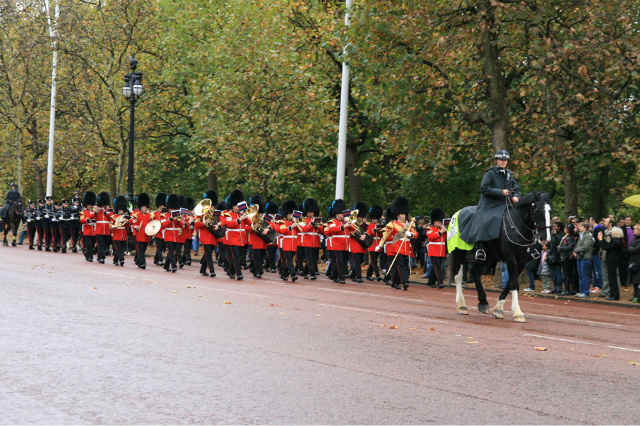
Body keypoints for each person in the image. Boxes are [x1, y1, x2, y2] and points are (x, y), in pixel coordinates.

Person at [459, 150, 521, 260]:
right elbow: (484, 189)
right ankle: (480, 247)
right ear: (496, 161)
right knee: (487, 219)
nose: (503, 162)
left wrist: (516, 196)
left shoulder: (509, 174)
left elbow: (516, 189)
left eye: (505, 160)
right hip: (490, 204)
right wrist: (500, 192)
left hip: (506, 204)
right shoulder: (490, 173)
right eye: (501, 160)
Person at [377, 197, 417, 290]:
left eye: (404, 213)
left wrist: (411, 234)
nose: (404, 215)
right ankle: (405, 281)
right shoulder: (392, 224)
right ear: (398, 215)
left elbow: (416, 234)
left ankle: (394, 282)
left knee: (402, 265)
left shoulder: (408, 224)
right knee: (401, 265)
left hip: (406, 248)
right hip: (397, 247)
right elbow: (385, 235)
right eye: (402, 213)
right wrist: (379, 245)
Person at [277, 200, 301, 282]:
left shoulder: (295, 222)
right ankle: (293, 274)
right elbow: (282, 231)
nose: (292, 215)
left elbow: (301, 231)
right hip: (286, 243)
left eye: (292, 214)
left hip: (293, 243)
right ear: (286, 214)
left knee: (287, 261)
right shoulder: (283, 222)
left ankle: (284, 274)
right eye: (290, 214)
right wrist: (291, 226)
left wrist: (297, 224)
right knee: (289, 260)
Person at [598, 226, 625, 301]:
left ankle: (614, 295)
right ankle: (613, 294)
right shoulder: (616, 241)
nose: (611, 233)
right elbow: (607, 244)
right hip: (612, 260)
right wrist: (602, 239)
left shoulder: (617, 241)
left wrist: (600, 241)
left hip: (613, 261)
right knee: (611, 278)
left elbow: (606, 247)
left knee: (612, 278)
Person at [426, 208, 447, 288]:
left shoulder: (442, 229)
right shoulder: (430, 228)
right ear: (434, 222)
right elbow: (431, 237)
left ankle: (431, 281)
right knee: (437, 267)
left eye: (439, 221)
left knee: (436, 267)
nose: (438, 223)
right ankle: (440, 282)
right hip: (434, 250)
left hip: (441, 251)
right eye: (437, 222)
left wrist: (445, 230)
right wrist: (440, 232)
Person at [131, 193, 153, 269]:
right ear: (140, 207)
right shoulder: (137, 215)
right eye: (143, 206)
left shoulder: (149, 216)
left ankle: (138, 260)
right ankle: (142, 263)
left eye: (145, 206)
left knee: (143, 250)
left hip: (147, 235)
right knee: (141, 250)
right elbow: (134, 223)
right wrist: (136, 227)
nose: (144, 208)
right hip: (140, 235)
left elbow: (152, 224)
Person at [574, 221, 595, 298]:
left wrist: (576, 250)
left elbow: (586, 247)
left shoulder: (588, 236)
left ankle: (585, 292)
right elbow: (578, 245)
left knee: (585, 276)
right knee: (580, 275)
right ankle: (581, 291)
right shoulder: (581, 235)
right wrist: (577, 249)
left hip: (585, 257)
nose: (579, 227)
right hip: (580, 257)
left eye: (581, 226)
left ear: (585, 228)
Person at [558, 223, 578, 295]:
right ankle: (571, 289)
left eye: (566, 228)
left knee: (567, 274)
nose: (564, 230)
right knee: (569, 274)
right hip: (567, 257)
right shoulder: (567, 237)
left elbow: (570, 247)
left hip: (566, 257)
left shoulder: (568, 238)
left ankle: (567, 289)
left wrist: (561, 248)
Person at [589, 216, 604, 292]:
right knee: (594, 269)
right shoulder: (593, 229)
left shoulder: (598, 228)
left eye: (590, 220)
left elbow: (598, 241)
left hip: (596, 252)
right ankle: (595, 284)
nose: (589, 221)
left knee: (598, 269)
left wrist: (595, 250)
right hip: (593, 252)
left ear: (593, 221)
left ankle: (599, 285)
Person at [626, 223, 640, 303]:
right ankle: (635, 295)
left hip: (638, 262)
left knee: (638, 280)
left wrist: (631, 249)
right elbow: (629, 248)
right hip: (634, 262)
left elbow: (635, 250)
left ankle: (638, 296)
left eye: (635, 229)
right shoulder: (635, 238)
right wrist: (631, 249)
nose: (633, 230)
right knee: (634, 280)